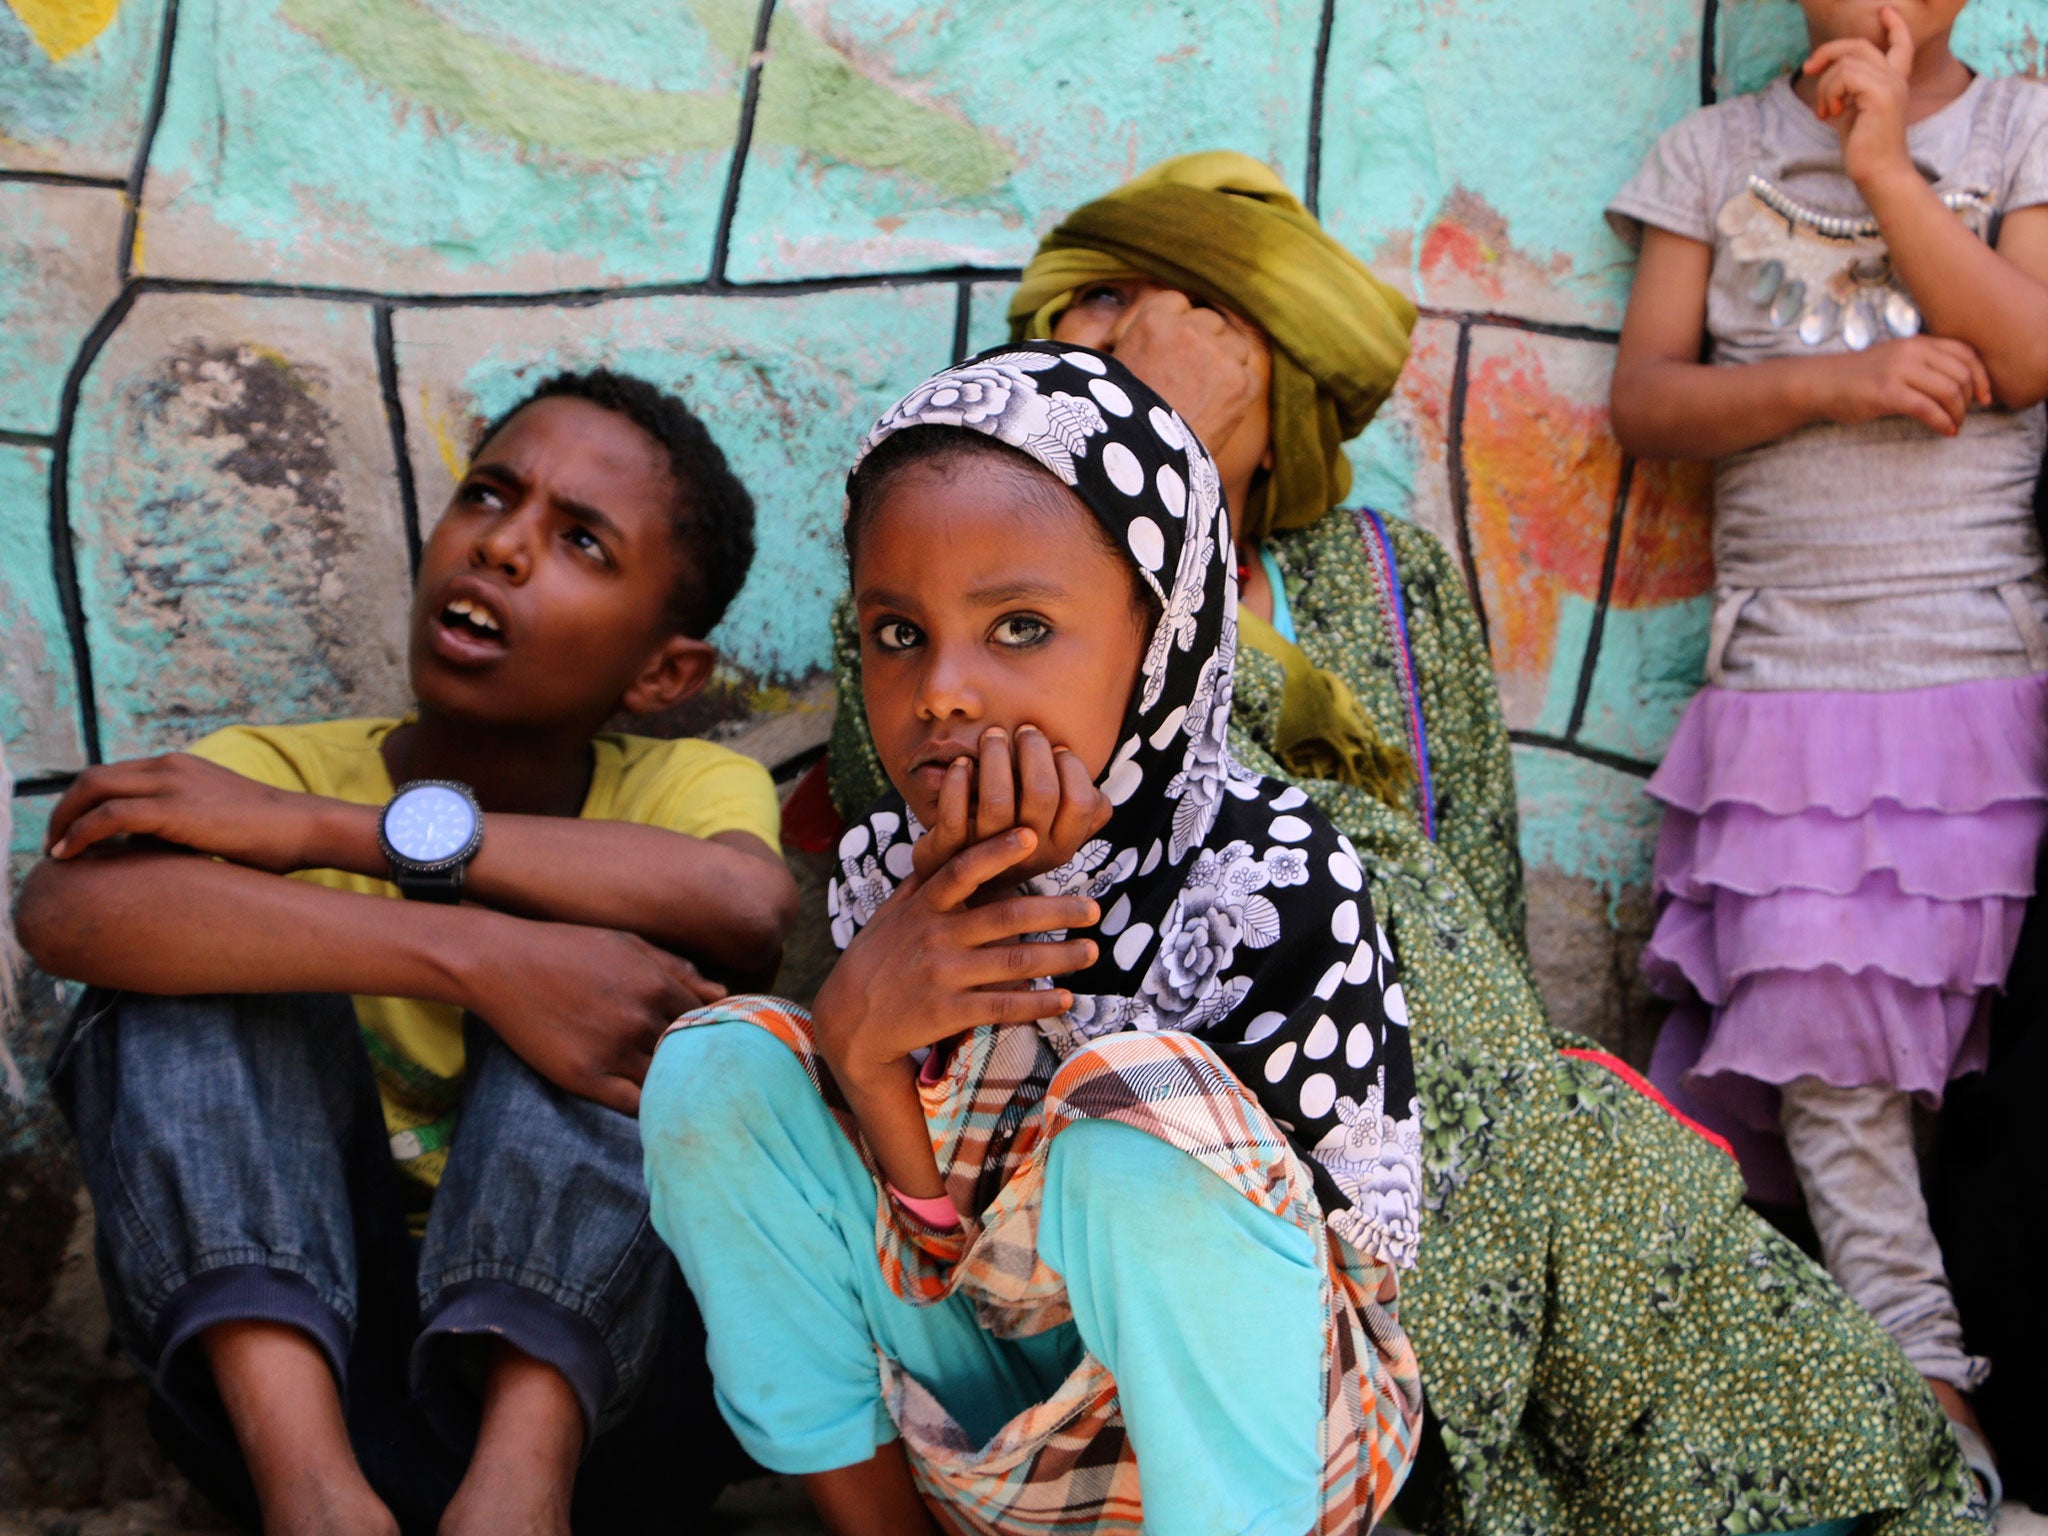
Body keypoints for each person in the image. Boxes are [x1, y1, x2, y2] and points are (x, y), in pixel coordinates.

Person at [826, 153, 1985, 1533]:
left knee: (1637, 1240)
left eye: (1199, 332)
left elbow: (1474, 877)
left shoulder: (1384, 572)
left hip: (1427, 1047)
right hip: (1121, 1102)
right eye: (1098, 316)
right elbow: (1028, 798)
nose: (1122, 348)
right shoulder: (942, 625)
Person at [643, 343, 1426, 1536]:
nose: (943, 690)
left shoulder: (1266, 877)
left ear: (1158, 632)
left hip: (1250, 1462)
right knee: (720, 1066)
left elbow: (1286, 1280)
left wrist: (1064, 938)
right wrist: (859, 1051)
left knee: (1134, 1108)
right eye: (896, 634)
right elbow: (939, 1242)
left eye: (1017, 626)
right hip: (992, 1437)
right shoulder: (891, 869)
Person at [15, 369, 799, 1536]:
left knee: (637, 974)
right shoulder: (267, 767)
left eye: (581, 541)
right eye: (488, 497)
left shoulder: (685, 787)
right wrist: (475, 957)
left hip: (607, 1392)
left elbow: (739, 904)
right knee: (172, 968)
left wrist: (337, 838)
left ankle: (513, 1493)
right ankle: (316, 1504)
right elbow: (69, 912)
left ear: (662, 675)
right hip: (309, 1384)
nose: (503, 549)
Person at [1609, 0, 2048, 1495]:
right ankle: (1935, 1421)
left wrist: (1884, 168)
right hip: (1788, 684)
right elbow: (1649, 402)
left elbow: (2034, 351)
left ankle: (1935, 1400)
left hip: (1978, 676)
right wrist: (1838, 381)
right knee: (1825, 1045)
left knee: (1952, 1060)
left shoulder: (2019, 130)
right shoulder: (1711, 155)